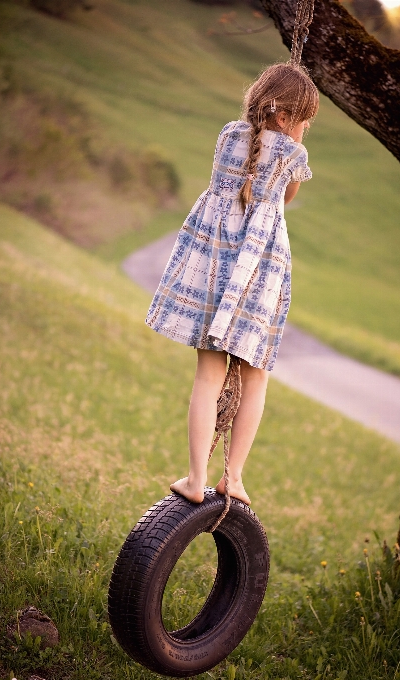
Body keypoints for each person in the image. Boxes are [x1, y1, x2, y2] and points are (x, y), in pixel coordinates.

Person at [146, 62, 319, 506]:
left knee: (207, 375)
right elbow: (286, 196)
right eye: (304, 120)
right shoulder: (291, 154)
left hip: (212, 262)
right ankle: (234, 477)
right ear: (285, 118)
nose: (305, 129)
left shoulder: (228, 136)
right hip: (259, 269)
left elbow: (238, 176)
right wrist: (295, 144)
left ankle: (194, 476)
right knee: (255, 375)